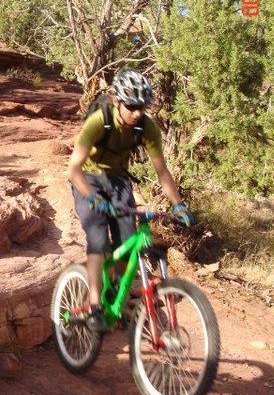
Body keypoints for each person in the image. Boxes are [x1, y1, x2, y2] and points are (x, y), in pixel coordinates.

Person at [67, 68, 195, 332]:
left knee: (128, 243)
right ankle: (94, 305)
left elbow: (162, 171)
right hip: (89, 178)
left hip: (118, 181)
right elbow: (73, 169)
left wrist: (178, 204)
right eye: (132, 106)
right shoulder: (98, 121)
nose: (138, 112)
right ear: (117, 101)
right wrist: (92, 198)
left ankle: (117, 293)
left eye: (143, 107)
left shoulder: (146, 127)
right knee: (99, 237)